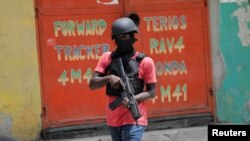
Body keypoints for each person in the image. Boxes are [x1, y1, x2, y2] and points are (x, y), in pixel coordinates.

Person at [89, 17, 157, 141]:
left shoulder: (145, 62)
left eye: (125, 36)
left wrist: (133, 98)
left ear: (132, 37)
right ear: (114, 39)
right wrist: (109, 78)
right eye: (119, 37)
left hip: (135, 119)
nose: (122, 40)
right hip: (113, 119)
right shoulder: (107, 58)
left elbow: (152, 92)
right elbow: (92, 84)